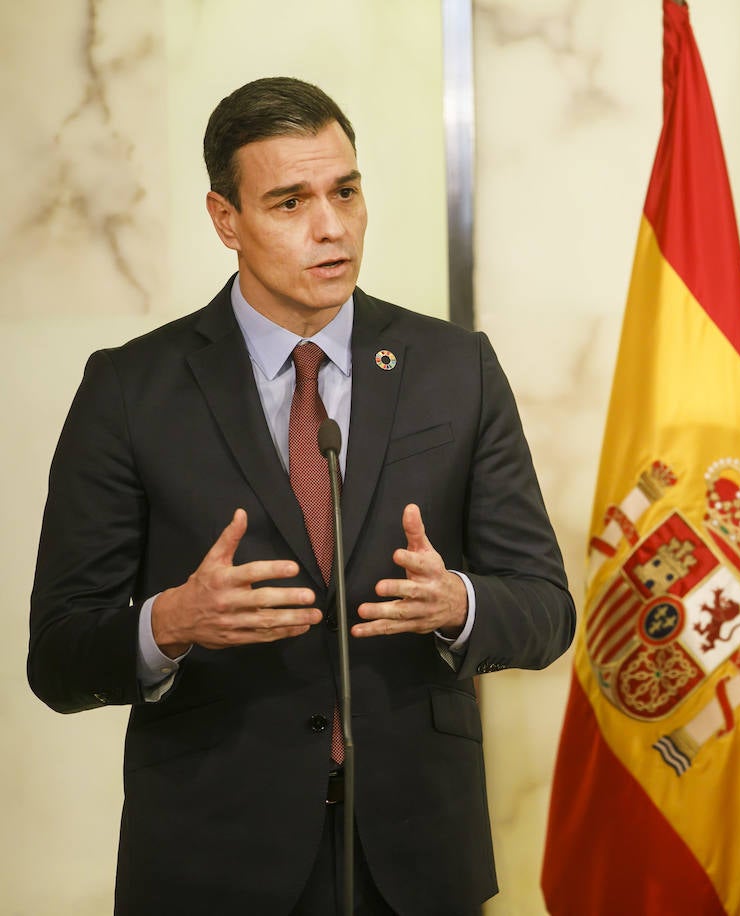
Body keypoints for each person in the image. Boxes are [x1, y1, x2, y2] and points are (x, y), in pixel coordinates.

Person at [28, 77, 575, 916]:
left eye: (345, 192)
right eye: (289, 202)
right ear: (226, 220)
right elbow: (59, 656)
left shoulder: (455, 370)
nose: (331, 226)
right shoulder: (131, 389)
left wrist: (457, 602)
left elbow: (546, 610)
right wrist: (169, 624)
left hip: (418, 858)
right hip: (211, 860)